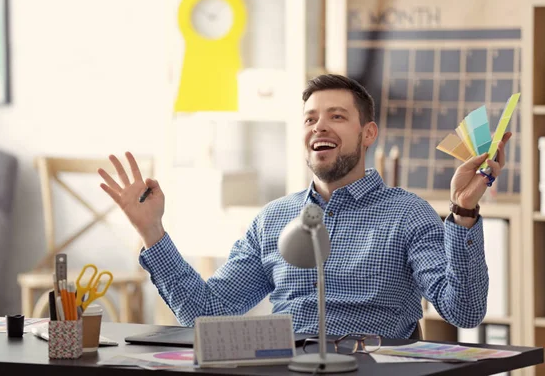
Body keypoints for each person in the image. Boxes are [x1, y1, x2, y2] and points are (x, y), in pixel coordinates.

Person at [98, 74, 511, 339]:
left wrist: (463, 212)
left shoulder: (408, 214)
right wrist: (152, 232)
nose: (320, 127)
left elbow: (465, 311)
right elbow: (207, 312)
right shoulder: (273, 219)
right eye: (310, 119)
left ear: (368, 134)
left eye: (336, 116)